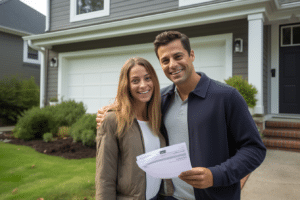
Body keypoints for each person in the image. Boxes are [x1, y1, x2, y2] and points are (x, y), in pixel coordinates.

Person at [97, 31, 266, 200]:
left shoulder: (226, 97)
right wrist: (110, 112)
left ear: (191, 55)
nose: (172, 64)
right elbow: (132, 105)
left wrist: (216, 175)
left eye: (178, 56)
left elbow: (254, 149)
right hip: (169, 196)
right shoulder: (160, 100)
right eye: (165, 60)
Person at [95, 57, 173, 200]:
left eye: (147, 78)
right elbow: (104, 177)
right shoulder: (113, 120)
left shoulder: (156, 118)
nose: (143, 85)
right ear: (126, 85)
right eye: (135, 81)